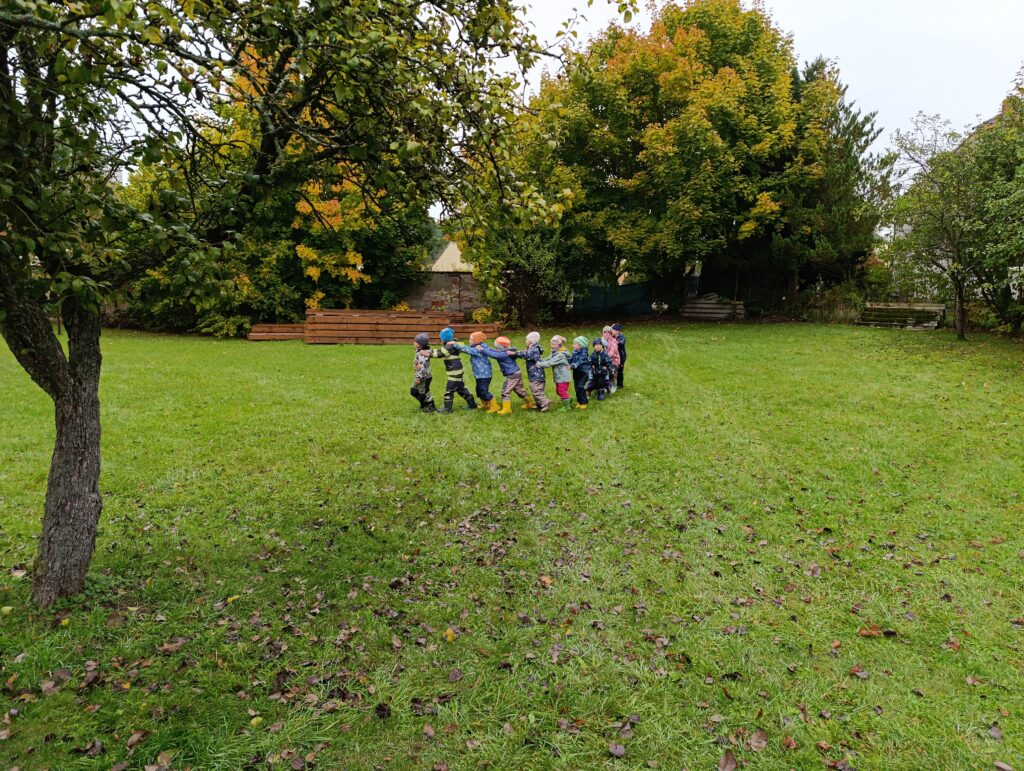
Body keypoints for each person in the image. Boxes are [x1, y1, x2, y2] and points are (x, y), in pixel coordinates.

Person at [476, 335, 533, 415]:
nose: (496, 349)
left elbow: (493, 354)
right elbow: (494, 351)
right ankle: (529, 403)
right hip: (516, 373)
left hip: (512, 375)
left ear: (501, 347)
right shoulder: (507, 350)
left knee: (505, 392)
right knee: (519, 390)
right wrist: (485, 348)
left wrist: (482, 349)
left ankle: (507, 409)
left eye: (497, 348)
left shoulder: (504, 354)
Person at [431, 327, 476, 413]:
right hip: (458, 371)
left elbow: (440, 354)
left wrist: (428, 354)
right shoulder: (452, 344)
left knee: (449, 390)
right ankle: (472, 404)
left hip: (454, 373)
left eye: (441, 338)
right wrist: (430, 351)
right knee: (461, 389)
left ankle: (447, 409)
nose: (440, 339)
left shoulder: (449, 346)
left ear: (443, 339)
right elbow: (440, 350)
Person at [456, 331, 499, 413]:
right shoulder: (477, 347)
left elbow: (468, 350)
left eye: (471, 339)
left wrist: (455, 345)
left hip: (484, 375)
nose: (469, 340)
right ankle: (485, 404)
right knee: (479, 391)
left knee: (483, 391)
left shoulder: (479, 349)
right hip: (480, 375)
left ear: (476, 340)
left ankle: (495, 406)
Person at [515, 331, 550, 412]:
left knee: (536, 389)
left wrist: (515, 353)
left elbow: (526, 354)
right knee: (537, 389)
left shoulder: (534, 349)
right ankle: (540, 405)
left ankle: (544, 403)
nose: (525, 341)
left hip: (536, 374)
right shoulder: (532, 348)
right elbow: (526, 353)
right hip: (534, 373)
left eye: (526, 339)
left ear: (531, 341)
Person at [537, 335, 572, 409]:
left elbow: (551, 363)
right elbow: (549, 358)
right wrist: (541, 360)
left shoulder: (561, 355)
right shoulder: (555, 352)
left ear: (559, 345)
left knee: (561, 391)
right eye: (551, 344)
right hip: (559, 376)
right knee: (559, 391)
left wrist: (539, 364)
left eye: (553, 344)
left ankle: (567, 407)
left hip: (563, 376)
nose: (551, 346)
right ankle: (568, 399)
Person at [410, 332, 435, 412]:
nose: (414, 342)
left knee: (424, 393)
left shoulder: (422, 354)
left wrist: (419, 378)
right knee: (414, 391)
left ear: (420, 344)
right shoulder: (420, 350)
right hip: (420, 375)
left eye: (415, 341)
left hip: (424, 377)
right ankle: (424, 404)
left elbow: (422, 367)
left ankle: (431, 406)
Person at [569, 335, 592, 410]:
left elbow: (580, 361)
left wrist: (573, 365)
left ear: (580, 345)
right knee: (576, 388)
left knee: (581, 387)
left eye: (574, 344)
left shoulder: (584, 354)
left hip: (583, 373)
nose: (573, 345)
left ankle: (584, 402)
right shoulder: (574, 352)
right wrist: (567, 363)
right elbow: (570, 359)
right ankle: (579, 402)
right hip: (576, 373)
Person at [602, 325, 620, 394]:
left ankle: (613, 384)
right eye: (604, 332)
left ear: (611, 333)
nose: (606, 334)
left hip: (614, 361)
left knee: (612, 373)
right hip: (605, 361)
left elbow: (612, 351)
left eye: (608, 332)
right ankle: (606, 385)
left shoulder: (613, 341)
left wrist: (606, 357)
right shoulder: (601, 341)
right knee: (605, 373)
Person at [612, 323, 626, 389]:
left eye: (613, 330)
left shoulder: (622, 337)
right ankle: (612, 384)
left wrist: (615, 341)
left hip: (621, 357)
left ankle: (620, 384)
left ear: (617, 331)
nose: (612, 331)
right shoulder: (612, 336)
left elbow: (621, 343)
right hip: (614, 357)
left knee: (620, 371)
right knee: (613, 370)